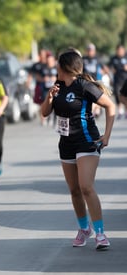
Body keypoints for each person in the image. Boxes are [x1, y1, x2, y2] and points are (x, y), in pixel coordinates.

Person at [40, 49, 115, 250]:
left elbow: (110, 106)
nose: (55, 68)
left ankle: (100, 233)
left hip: (86, 140)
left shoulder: (84, 86)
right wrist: (49, 97)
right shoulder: (57, 87)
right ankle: (84, 229)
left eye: (57, 65)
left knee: (86, 187)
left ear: (65, 68)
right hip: (66, 143)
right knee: (74, 190)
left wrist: (106, 135)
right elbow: (45, 113)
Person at [108, 44, 127, 118]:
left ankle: (126, 111)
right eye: (118, 50)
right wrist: (111, 72)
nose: (120, 52)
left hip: (125, 80)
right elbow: (109, 67)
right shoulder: (114, 58)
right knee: (118, 95)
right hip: (117, 80)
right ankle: (120, 111)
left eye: (121, 50)